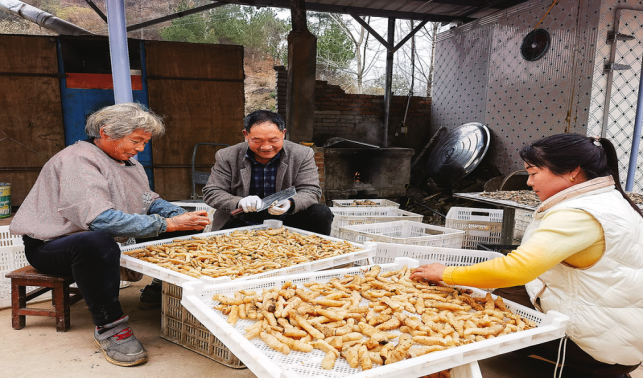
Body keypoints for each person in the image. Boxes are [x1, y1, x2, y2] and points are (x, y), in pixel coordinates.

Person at [411, 133, 643, 378]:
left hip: (598, 344)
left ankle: (587, 369)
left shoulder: (579, 214)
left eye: (533, 173)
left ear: (573, 172)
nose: (529, 183)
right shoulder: (606, 198)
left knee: (486, 317)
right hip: (622, 326)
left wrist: (447, 274)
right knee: (501, 294)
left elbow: (517, 268)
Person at [10, 103, 211, 367]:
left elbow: (147, 201)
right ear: (106, 132)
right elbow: (99, 220)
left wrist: (176, 214)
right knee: (98, 241)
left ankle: (159, 289)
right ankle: (109, 325)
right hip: (53, 245)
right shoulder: (77, 160)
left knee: (183, 223)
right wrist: (169, 223)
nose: (140, 149)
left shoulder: (129, 162)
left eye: (144, 142)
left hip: (95, 238)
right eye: (136, 141)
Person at [203, 110, 333, 235]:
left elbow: (311, 190)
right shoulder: (227, 156)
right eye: (257, 140)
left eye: (273, 140)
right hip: (240, 222)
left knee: (321, 212)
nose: (266, 147)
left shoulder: (302, 154)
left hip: (287, 220)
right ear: (246, 135)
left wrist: (290, 203)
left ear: (283, 133)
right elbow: (212, 192)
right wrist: (239, 202)